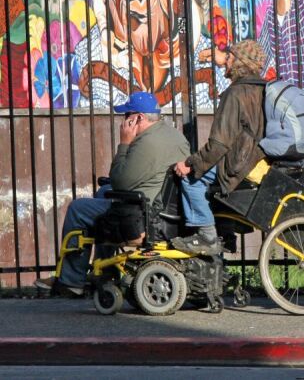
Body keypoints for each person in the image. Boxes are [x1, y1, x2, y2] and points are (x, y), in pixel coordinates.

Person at [34, 92, 190, 295]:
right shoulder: (173, 135)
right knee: (102, 192)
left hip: (142, 213)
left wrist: (124, 142)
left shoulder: (147, 142)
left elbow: (120, 181)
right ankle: (104, 271)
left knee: (77, 208)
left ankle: (70, 281)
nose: (124, 121)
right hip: (161, 204)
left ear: (139, 118)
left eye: (127, 116)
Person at [172, 40, 267, 255]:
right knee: (215, 183)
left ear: (240, 62)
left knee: (192, 178)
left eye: (230, 57)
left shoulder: (235, 94)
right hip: (257, 161)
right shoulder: (262, 90)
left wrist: (191, 164)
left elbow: (219, 144)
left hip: (240, 163)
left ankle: (207, 236)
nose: (226, 61)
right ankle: (225, 233)